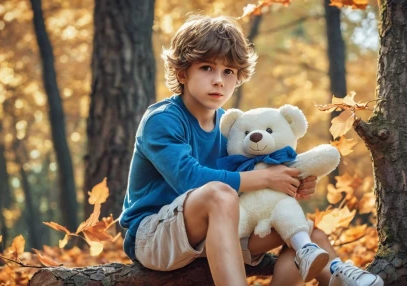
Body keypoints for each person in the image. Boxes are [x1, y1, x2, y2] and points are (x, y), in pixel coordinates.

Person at [119, 14, 383, 286]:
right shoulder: (163, 119)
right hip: (154, 237)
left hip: (219, 232)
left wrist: (288, 182)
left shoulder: (231, 128)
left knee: (306, 233)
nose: (219, 80)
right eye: (207, 68)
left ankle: (339, 278)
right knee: (218, 193)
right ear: (182, 72)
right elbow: (190, 180)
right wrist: (266, 178)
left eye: (228, 71)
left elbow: (251, 176)